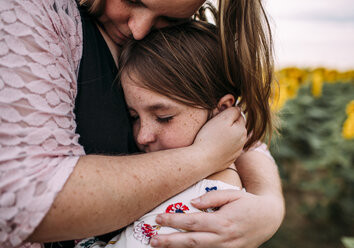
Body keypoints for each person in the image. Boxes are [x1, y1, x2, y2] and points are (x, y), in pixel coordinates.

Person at [0, 1, 284, 248]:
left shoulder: (169, 44)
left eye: (170, 19)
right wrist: (203, 157)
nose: (139, 30)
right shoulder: (36, 16)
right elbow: (21, 198)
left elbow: (236, 131)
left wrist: (269, 205)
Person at [74, 20, 275, 248]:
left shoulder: (199, 206)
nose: (143, 136)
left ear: (222, 110)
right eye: (134, 117)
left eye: (164, 117)